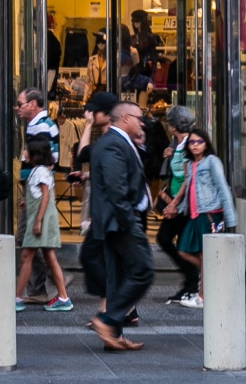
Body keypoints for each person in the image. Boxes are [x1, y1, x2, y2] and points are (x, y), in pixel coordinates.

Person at [87, 100, 154, 351]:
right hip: (120, 222)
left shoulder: (116, 142)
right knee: (143, 270)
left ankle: (112, 336)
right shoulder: (113, 144)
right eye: (139, 118)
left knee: (116, 279)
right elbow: (116, 189)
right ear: (125, 118)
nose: (142, 122)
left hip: (115, 222)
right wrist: (129, 221)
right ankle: (106, 320)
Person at [170, 129, 234, 309]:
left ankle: (202, 297)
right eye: (192, 142)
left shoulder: (212, 162)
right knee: (183, 250)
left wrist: (230, 219)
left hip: (210, 214)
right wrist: (177, 207)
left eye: (199, 141)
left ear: (206, 144)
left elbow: (223, 188)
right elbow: (189, 189)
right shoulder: (190, 164)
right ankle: (214, 275)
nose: (195, 145)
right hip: (194, 215)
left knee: (204, 255)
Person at [72, 90, 118, 310]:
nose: (89, 114)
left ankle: (112, 308)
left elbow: (82, 154)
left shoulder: (111, 140)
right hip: (105, 212)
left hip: (109, 213)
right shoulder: (107, 139)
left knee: (93, 257)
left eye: (94, 111)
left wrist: (88, 126)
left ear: (107, 114)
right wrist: (87, 175)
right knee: (103, 259)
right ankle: (111, 309)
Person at [15, 135, 72, 313]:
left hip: (40, 222)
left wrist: (38, 221)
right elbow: (40, 194)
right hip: (42, 220)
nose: (24, 153)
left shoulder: (40, 171)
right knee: (49, 258)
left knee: (26, 256)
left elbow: (46, 195)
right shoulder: (40, 170)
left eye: (27, 150)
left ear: (35, 153)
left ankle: (17, 298)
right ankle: (63, 297)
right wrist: (28, 200)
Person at [157, 105, 201, 304]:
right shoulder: (175, 143)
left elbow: (188, 177)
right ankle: (191, 281)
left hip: (185, 203)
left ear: (175, 126)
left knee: (180, 244)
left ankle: (193, 284)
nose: (167, 125)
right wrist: (167, 155)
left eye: (169, 122)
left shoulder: (189, 144)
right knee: (165, 238)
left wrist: (174, 203)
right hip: (175, 199)